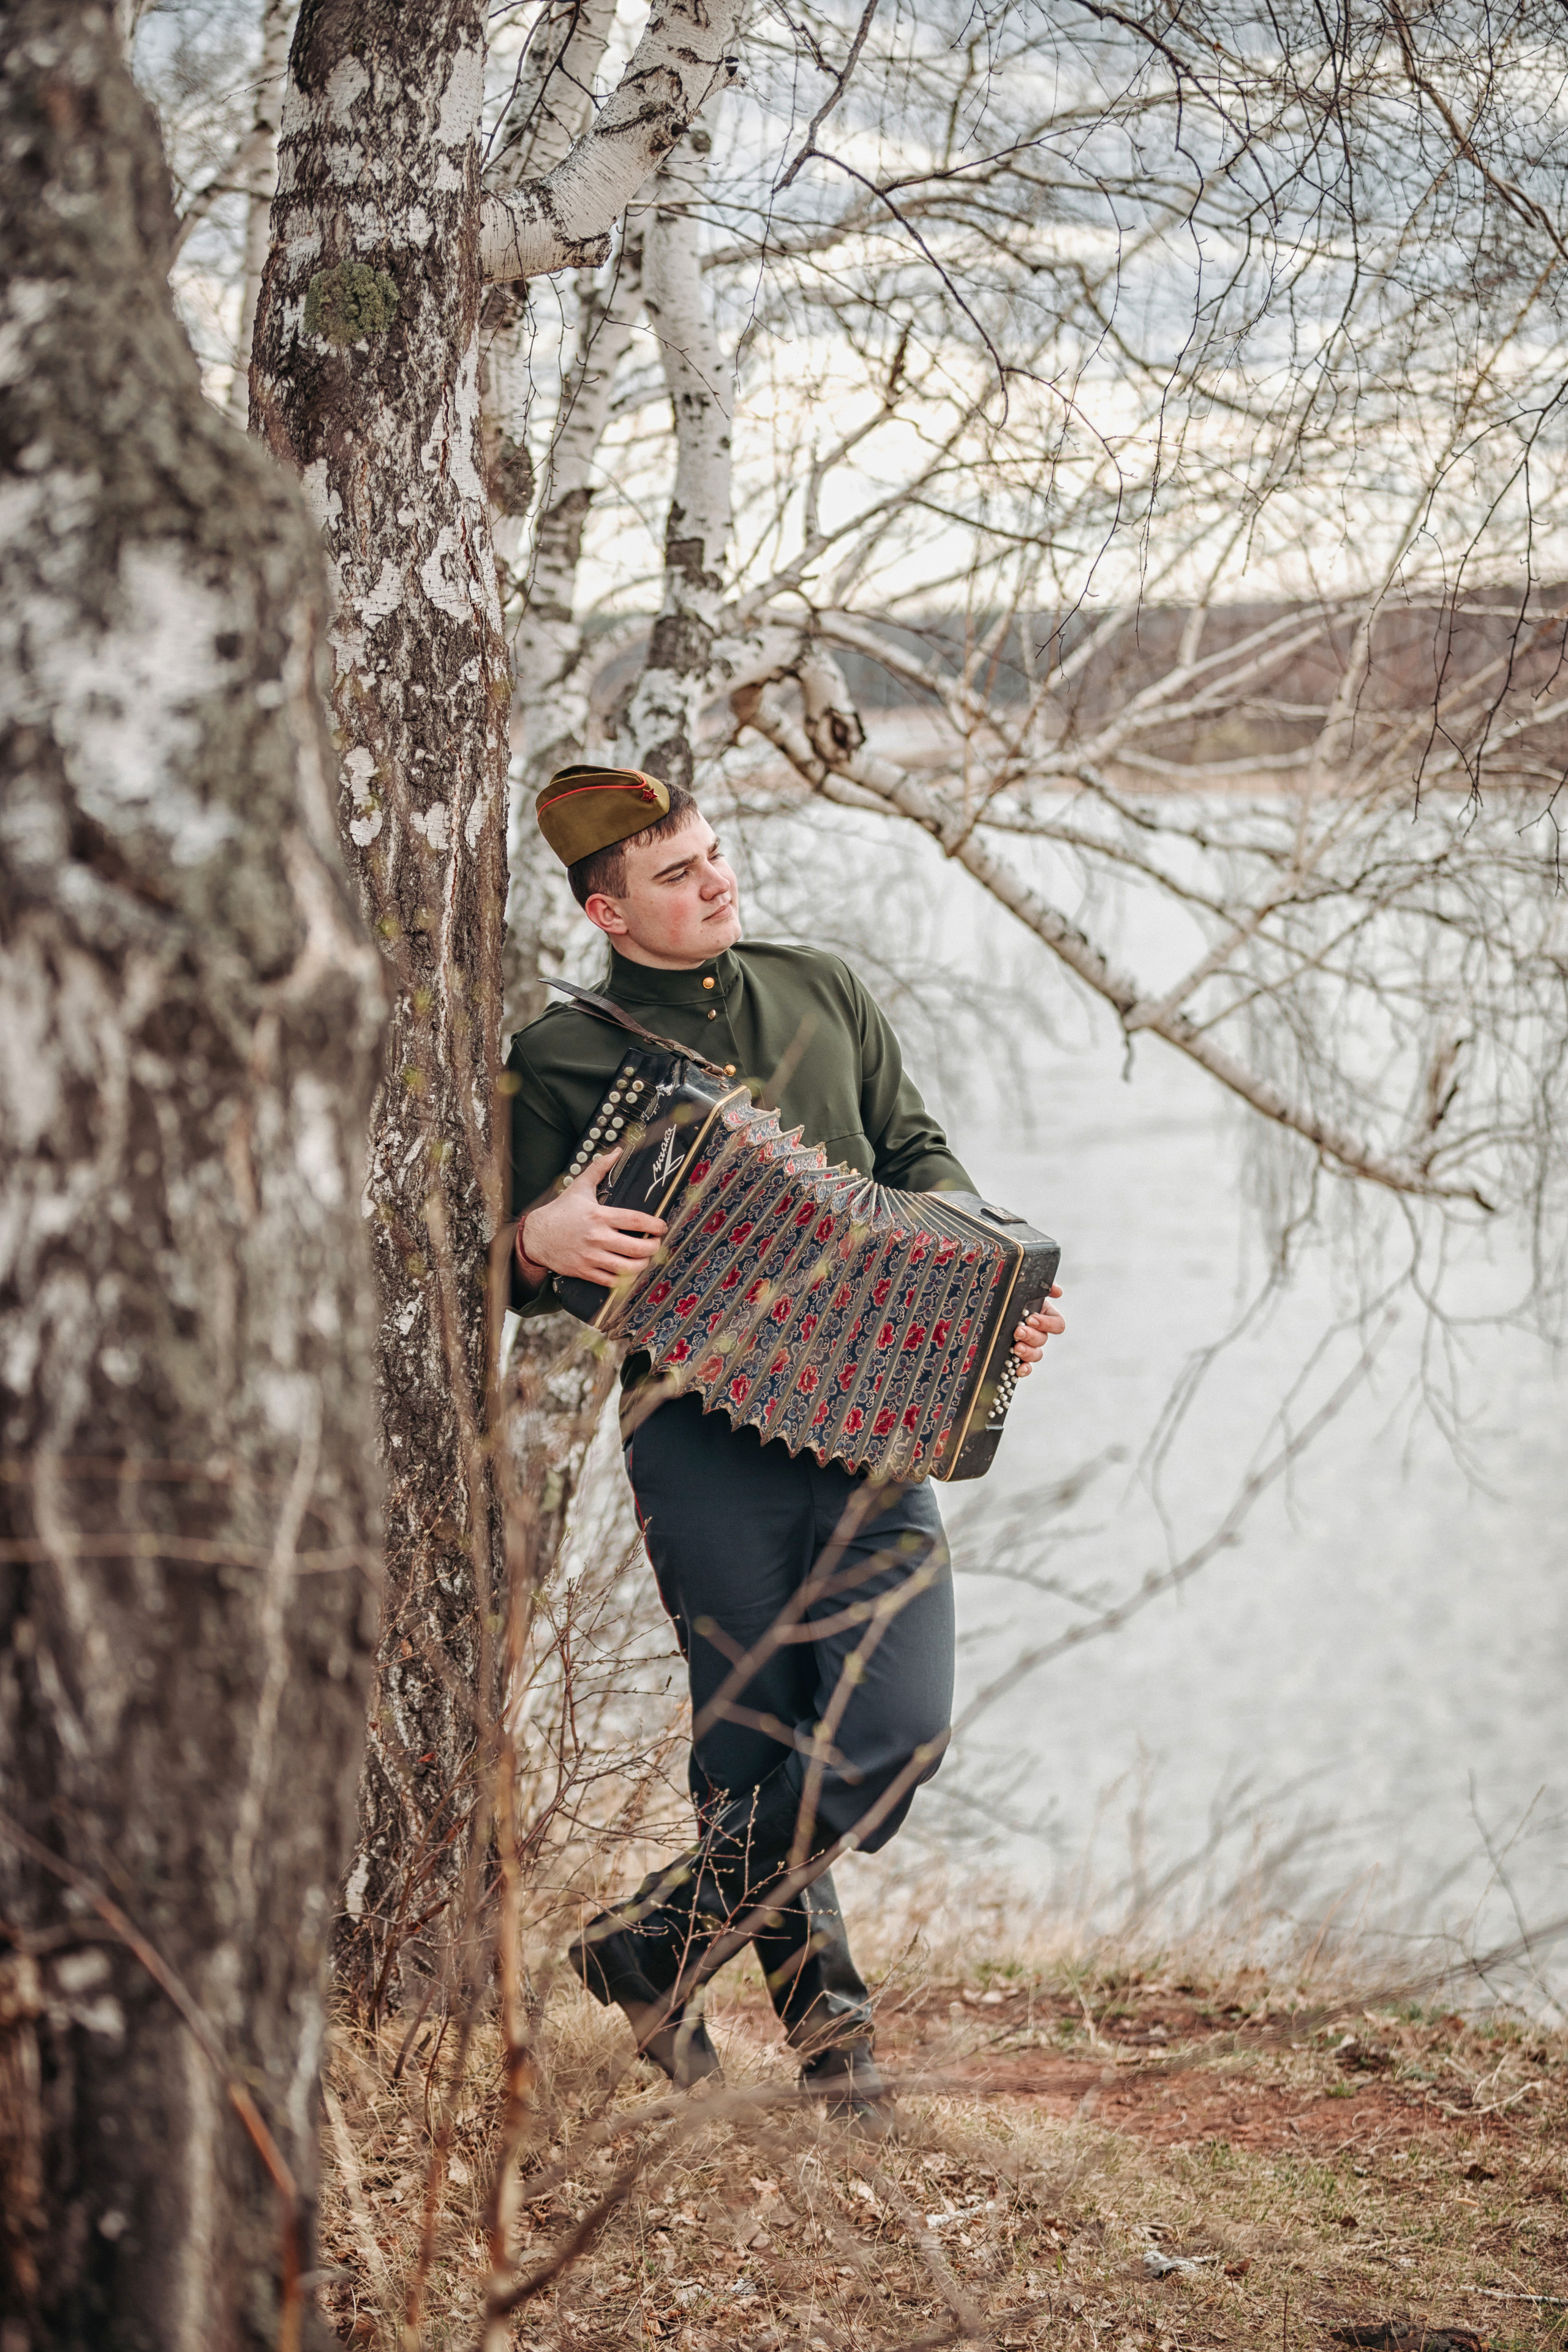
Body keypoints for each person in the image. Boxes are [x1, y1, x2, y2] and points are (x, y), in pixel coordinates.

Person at [507, 764, 1065, 2131]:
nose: (716, 883)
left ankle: (650, 1946)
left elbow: (918, 1153)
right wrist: (534, 1239)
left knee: (890, 1736)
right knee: (749, 1749)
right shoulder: (558, 1055)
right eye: (678, 876)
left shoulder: (816, 987)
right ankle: (838, 2056)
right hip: (699, 1439)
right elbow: (465, 1251)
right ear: (605, 913)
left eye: (712, 854)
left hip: (875, 1431)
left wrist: (978, 1290)